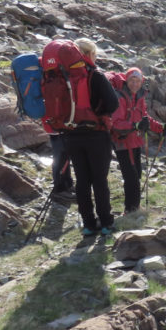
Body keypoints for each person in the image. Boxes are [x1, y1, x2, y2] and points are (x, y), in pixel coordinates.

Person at [49, 39, 119, 237]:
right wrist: (99, 113)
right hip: (96, 134)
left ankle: (88, 224)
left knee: (82, 180)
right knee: (99, 180)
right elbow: (112, 104)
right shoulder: (95, 75)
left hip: (71, 135)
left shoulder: (62, 76)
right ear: (89, 55)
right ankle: (105, 222)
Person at [109, 67, 166, 213]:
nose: (135, 84)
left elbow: (144, 118)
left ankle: (134, 207)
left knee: (137, 175)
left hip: (135, 141)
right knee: (131, 177)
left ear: (142, 82)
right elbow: (115, 123)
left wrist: (160, 127)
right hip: (123, 142)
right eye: (132, 80)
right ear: (126, 80)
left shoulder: (139, 96)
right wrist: (135, 125)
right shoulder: (120, 97)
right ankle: (131, 210)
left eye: (138, 81)